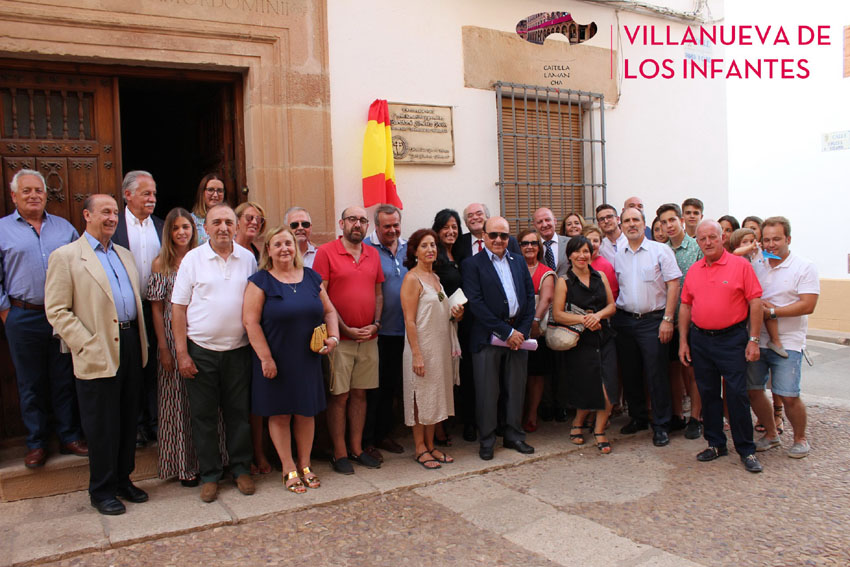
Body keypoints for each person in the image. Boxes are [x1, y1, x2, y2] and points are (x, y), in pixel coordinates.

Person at [45, 194, 149, 515]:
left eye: (115, 212)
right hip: (97, 346)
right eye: (105, 212)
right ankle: (101, 490)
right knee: (102, 423)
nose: (112, 217)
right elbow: (57, 310)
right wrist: (86, 343)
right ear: (87, 215)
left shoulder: (125, 255)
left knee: (128, 417)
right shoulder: (66, 257)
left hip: (131, 343)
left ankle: (122, 479)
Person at [1, 169, 87, 468]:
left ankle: (69, 436)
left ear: (46, 195)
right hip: (23, 316)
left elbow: (82, 267)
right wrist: (6, 312)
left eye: (38, 190)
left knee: (64, 377)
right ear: (14, 196)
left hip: (61, 316)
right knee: (30, 382)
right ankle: (36, 443)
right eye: (26, 191)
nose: (33, 195)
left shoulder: (64, 229)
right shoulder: (2, 230)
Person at [172, 204, 257, 503]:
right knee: (204, 417)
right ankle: (209, 475)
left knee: (239, 415)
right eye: (216, 222)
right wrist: (182, 353)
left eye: (228, 222)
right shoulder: (193, 259)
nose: (223, 227)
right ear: (204, 228)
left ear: (236, 227)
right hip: (201, 351)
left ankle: (241, 469)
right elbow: (178, 308)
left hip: (238, 351)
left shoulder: (248, 259)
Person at [243, 226, 339, 493]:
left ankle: (305, 464)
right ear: (269, 251)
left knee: (306, 412)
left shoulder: (311, 277)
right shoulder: (260, 281)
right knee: (281, 414)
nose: (284, 248)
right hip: (275, 359)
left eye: (288, 243)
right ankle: (288, 467)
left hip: (307, 358)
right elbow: (250, 322)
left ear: (295, 248)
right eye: (278, 244)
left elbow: (329, 310)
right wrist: (265, 358)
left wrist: (333, 338)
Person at [147, 207, 226, 487]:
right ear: (168, 232)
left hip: (201, 335)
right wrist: (165, 348)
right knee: (178, 403)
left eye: (187, 227)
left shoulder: (202, 259)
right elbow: (157, 310)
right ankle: (185, 465)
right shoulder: (161, 264)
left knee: (206, 404)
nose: (182, 232)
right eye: (176, 228)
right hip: (172, 336)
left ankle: (215, 462)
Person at [678, 220, 765, 473]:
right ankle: (716, 443)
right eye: (702, 239)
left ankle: (746, 450)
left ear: (722, 238)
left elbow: (755, 302)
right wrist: (684, 341)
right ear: (698, 242)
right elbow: (686, 305)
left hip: (732, 339)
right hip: (701, 340)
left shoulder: (740, 265)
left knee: (737, 395)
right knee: (708, 394)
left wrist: (754, 340)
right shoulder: (694, 270)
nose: (707, 242)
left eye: (712, 237)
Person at [313, 206, 384, 475]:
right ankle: (339, 452)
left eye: (363, 220)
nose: (358, 224)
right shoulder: (326, 252)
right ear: (341, 223)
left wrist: (375, 324)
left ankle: (356, 448)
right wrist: (343, 327)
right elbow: (322, 296)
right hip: (339, 339)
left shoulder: (373, 254)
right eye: (352, 219)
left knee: (360, 394)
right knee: (339, 396)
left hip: (368, 338)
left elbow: (378, 293)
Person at [462, 216, 536, 461]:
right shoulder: (472, 264)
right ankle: (487, 440)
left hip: (518, 337)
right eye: (493, 235)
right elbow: (476, 304)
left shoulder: (517, 261)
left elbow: (528, 296)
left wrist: (521, 332)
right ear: (483, 236)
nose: (498, 240)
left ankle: (514, 435)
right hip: (487, 338)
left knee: (516, 389)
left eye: (503, 236)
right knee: (487, 392)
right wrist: (506, 332)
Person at [747, 217, 819, 459]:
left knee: (788, 394)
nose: (770, 244)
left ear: (788, 239)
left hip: (789, 341)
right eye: (766, 239)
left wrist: (772, 312)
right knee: (754, 390)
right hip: (757, 338)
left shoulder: (804, 266)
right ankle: (771, 434)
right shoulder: (757, 264)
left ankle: (800, 438)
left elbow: (808, 304)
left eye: (776, 239)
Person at [611, 207, 681, 447]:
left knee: (656, 374)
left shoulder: (660, 251)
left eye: (636, 220)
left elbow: (674, 285)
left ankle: (661, 425)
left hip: (653, 321)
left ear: (644, 224)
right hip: (625, 320)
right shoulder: (618, 254)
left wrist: (668, 319)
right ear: (621, 225)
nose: (631, 224)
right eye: (627, 221)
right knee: (630, 374)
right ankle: (638, 418)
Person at [400, 229, 463, 469]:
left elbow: (440, 311)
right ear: (415, 251)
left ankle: (430, 445)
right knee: (420, 397)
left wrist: (457, 312)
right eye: (425, 246)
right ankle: (419, 448)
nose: (431, 250)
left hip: (439, 347)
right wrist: (416, 353)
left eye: (433, 245)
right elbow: (409, 320)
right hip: (421, 347)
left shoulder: (435, 278)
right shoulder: (411, 279)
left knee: (433, 398)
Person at [111, 170, 164, 448]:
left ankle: (155, 424)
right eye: (146, 193)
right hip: (125, 312)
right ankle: (135, 426)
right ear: (128, 195)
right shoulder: (114, 226)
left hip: (156, 308)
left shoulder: (162, 226)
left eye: (154, 193)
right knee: (130, 368)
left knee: (155, 367)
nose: (152, 198)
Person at [553, 236, 617, 453]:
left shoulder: (600, 276)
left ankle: (599, 430)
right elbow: (558, 314)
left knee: (608, 388)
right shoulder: (564, 281)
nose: (582, 256)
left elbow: (612, 306)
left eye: (586, 251)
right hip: (580, 341)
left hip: (604, 338)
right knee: (587, 387)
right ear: (569, 255)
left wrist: (597, 316)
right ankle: (578, 423)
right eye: (577, 252)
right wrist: (584, 319)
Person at [364, 204, 408, 459]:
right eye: (387, 226)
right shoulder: (368, 250)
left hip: (406, 331)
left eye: (396, 225)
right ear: (377, 227)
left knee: (392, 387)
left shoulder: (408, 247)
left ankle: (385, 434)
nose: (392, 230)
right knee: (374, 388)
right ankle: (368, 439)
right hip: (379, 331)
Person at [657, 203, 704, 440]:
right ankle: (677, 415)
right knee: (673, 371)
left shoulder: (696, 248)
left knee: (692, 371)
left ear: (681, 220)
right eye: (664, 222)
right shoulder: (660, 250)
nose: (669, 226)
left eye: (672, 220)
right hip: (667, 320)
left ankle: (696, 417)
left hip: (693, 320)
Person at [234, 200, 272, 475]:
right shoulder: (227, 251)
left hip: (257, 336)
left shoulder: (258, 254)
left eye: (259, 220)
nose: (254, 223)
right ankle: (241, 456)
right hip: (231, 337)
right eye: (249, 217)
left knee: (256, 402)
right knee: (238, 402)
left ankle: (258, 452)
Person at [432, 208, 475, 443]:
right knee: (440, 376)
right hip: (440, 325)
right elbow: (430, 289)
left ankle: (459, 423)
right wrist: (446, 307)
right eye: (446, 227)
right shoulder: (435, 257)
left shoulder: (460, 255)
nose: (451, 231)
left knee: (460, 376)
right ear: (438, 231)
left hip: (462, 325)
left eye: (455, 227)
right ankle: (438, 429)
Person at [517, 229, 556, 433]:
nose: (529, 247)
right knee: (516, 374)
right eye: (524, 243)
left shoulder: (546, 271)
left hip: (535, 331)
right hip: (513, 330)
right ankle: (516, 413)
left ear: (539, 247)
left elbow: (546, 298)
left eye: (533, 243)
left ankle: (532, 413)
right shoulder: (513, 267)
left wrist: (534, 321)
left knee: (535, 374)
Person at [730, 228, 787, 359]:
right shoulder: (739, 257)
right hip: (743, 297)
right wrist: (750, 247)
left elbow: (771, 259)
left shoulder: (755, 256)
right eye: (745, 242)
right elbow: (735, 252)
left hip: (755, 295)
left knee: (769, 310)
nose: (750, 244)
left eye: (752, 240)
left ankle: (775, 340)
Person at [454, 202, 520, 265]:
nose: (475, 217)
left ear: (488, 218)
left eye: (479, 214)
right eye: (470, 215)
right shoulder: (459, 243)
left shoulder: (508, 241)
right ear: (466, 223)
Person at [582, 225, 619, 300]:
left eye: (595, 241)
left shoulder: (606, 266)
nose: (592, 244)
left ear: (600, 243)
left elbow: (613, 294)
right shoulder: (577, 262)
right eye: (588, 240)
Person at [532, 207, 570, 277]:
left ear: (555, 221)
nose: (544, 225)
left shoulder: (569, 242)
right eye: (540, 222)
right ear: (535, 226)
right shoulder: (532, 247)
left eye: (547, 220)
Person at [190, 173, 226, 245]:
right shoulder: (190, 220)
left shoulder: (231, 219)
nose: (215, 195)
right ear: (202, 193)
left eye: (220, 190)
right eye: (210, 190)